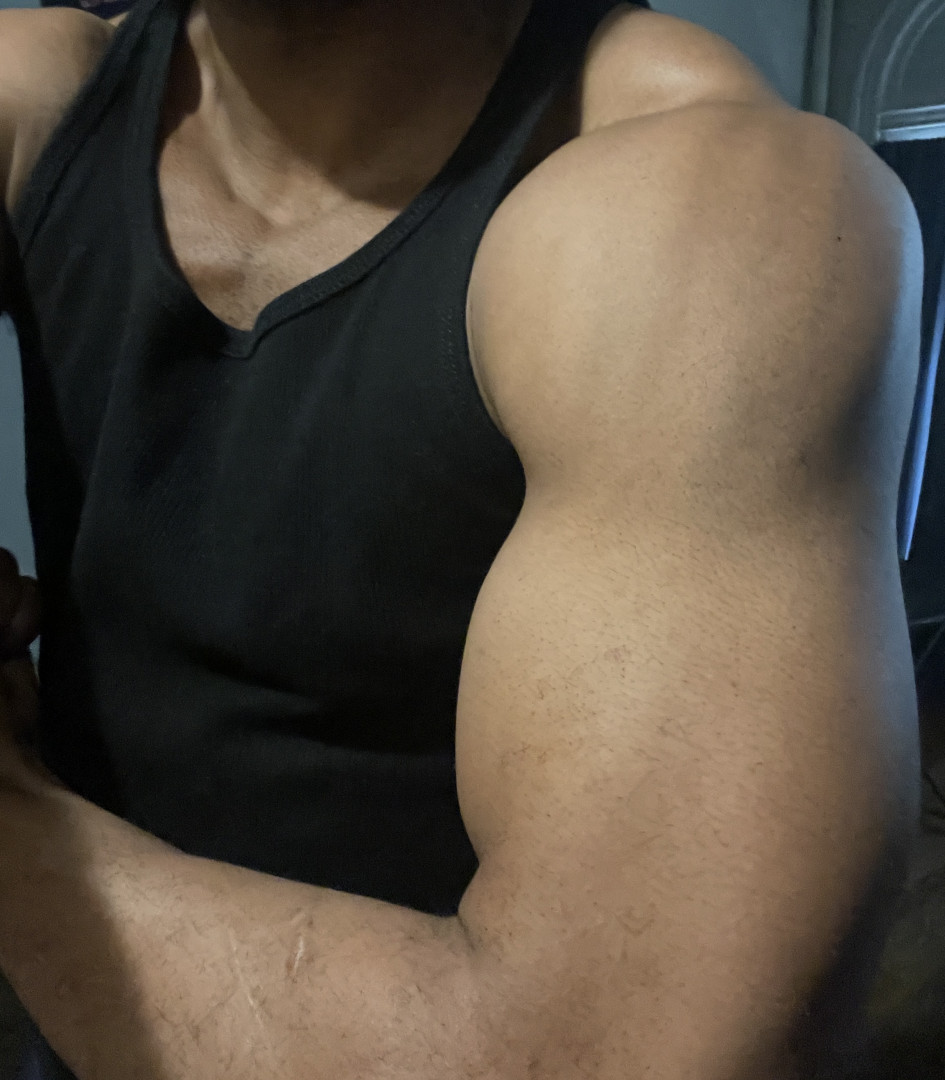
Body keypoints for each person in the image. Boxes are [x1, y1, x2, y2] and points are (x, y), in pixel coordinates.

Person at [0, 0, 927, 1078]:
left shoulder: (715, 207)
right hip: (75, 995)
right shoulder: (40, 97)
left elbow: (608, 1056)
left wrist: (13, 823)